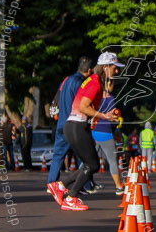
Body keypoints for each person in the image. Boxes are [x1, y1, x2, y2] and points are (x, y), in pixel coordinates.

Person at [48, 52, 122, 211]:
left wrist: (95, 120)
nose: (116, 72)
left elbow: (87, 108)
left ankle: (61, 185)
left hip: (76, 125)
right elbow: (83, 107)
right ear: (105, 67)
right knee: (92, 164)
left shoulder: (95, 81)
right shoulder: (94, 82)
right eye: (115, 68)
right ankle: (70, 196)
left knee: (91, 163)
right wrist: (104, 116)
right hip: (76, 125)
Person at [48, 57, 93, 188]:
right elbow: (83, 104)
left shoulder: (66, 81)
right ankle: (85, 185)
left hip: (62, 123)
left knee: (58, 155)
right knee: (83, 155)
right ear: (89, 70)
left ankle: (52, 184)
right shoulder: (81, 83)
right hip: (75, 123)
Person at [91, 80, 124, 195]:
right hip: (106, 132)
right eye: (112, 84)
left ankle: (82, 183)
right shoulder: (111, 98)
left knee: (88, 158)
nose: (113, 87)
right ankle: (119, 186)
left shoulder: (96, 96)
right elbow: (114, 115)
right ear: (108, 85)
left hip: (94, 131)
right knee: (112, 160)